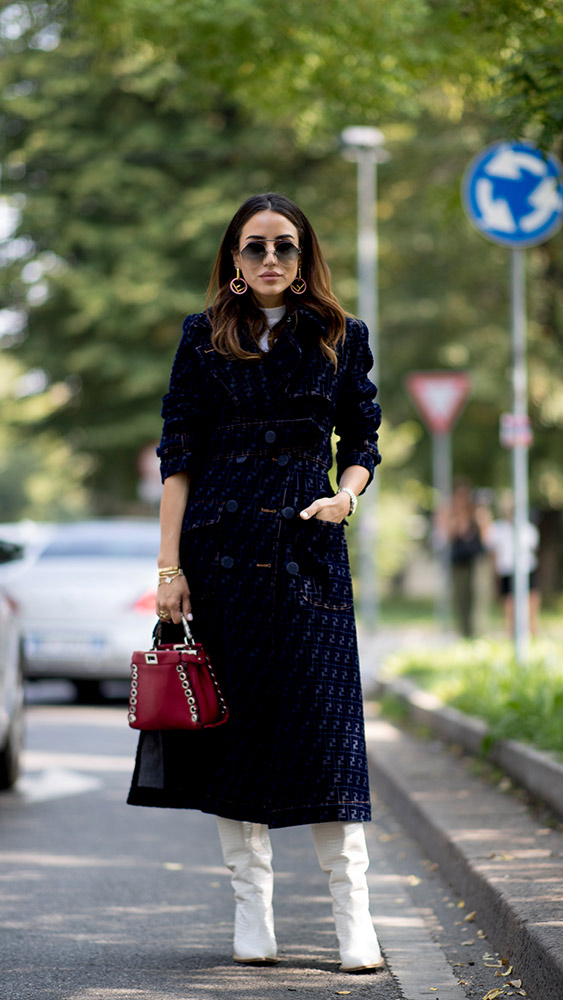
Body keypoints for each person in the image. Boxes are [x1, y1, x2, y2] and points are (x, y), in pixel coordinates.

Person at [127, 193, 383, 973]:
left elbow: (363, 437)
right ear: (233, 263)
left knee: (327, 735)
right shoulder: (201, 340)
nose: (269, 259)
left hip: (308, 553)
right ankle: (252, 911)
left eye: (284, 246)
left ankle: (353, 919)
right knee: (234, 737)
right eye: (253, 248)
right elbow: (179, 458)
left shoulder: (341, 336)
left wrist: (346, 496)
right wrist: (169, 571)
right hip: (221, 555)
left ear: (304, 257)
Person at [484, 490, 540, 636]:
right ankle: (512, 634)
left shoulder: (527, 528)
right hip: (507, 570)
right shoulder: (498, 528)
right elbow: (491, 549)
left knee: (531, 602)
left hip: (527, 569)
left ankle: (532, 633)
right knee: (510, 606)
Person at [435, 480, 486, 637]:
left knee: (478, 594)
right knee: (461, 596)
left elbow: (486, 537)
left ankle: (477, 629)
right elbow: (445, 536)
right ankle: (464, 630)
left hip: (475, 559)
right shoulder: (450, 514)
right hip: (458, 561)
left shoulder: (477, 513)